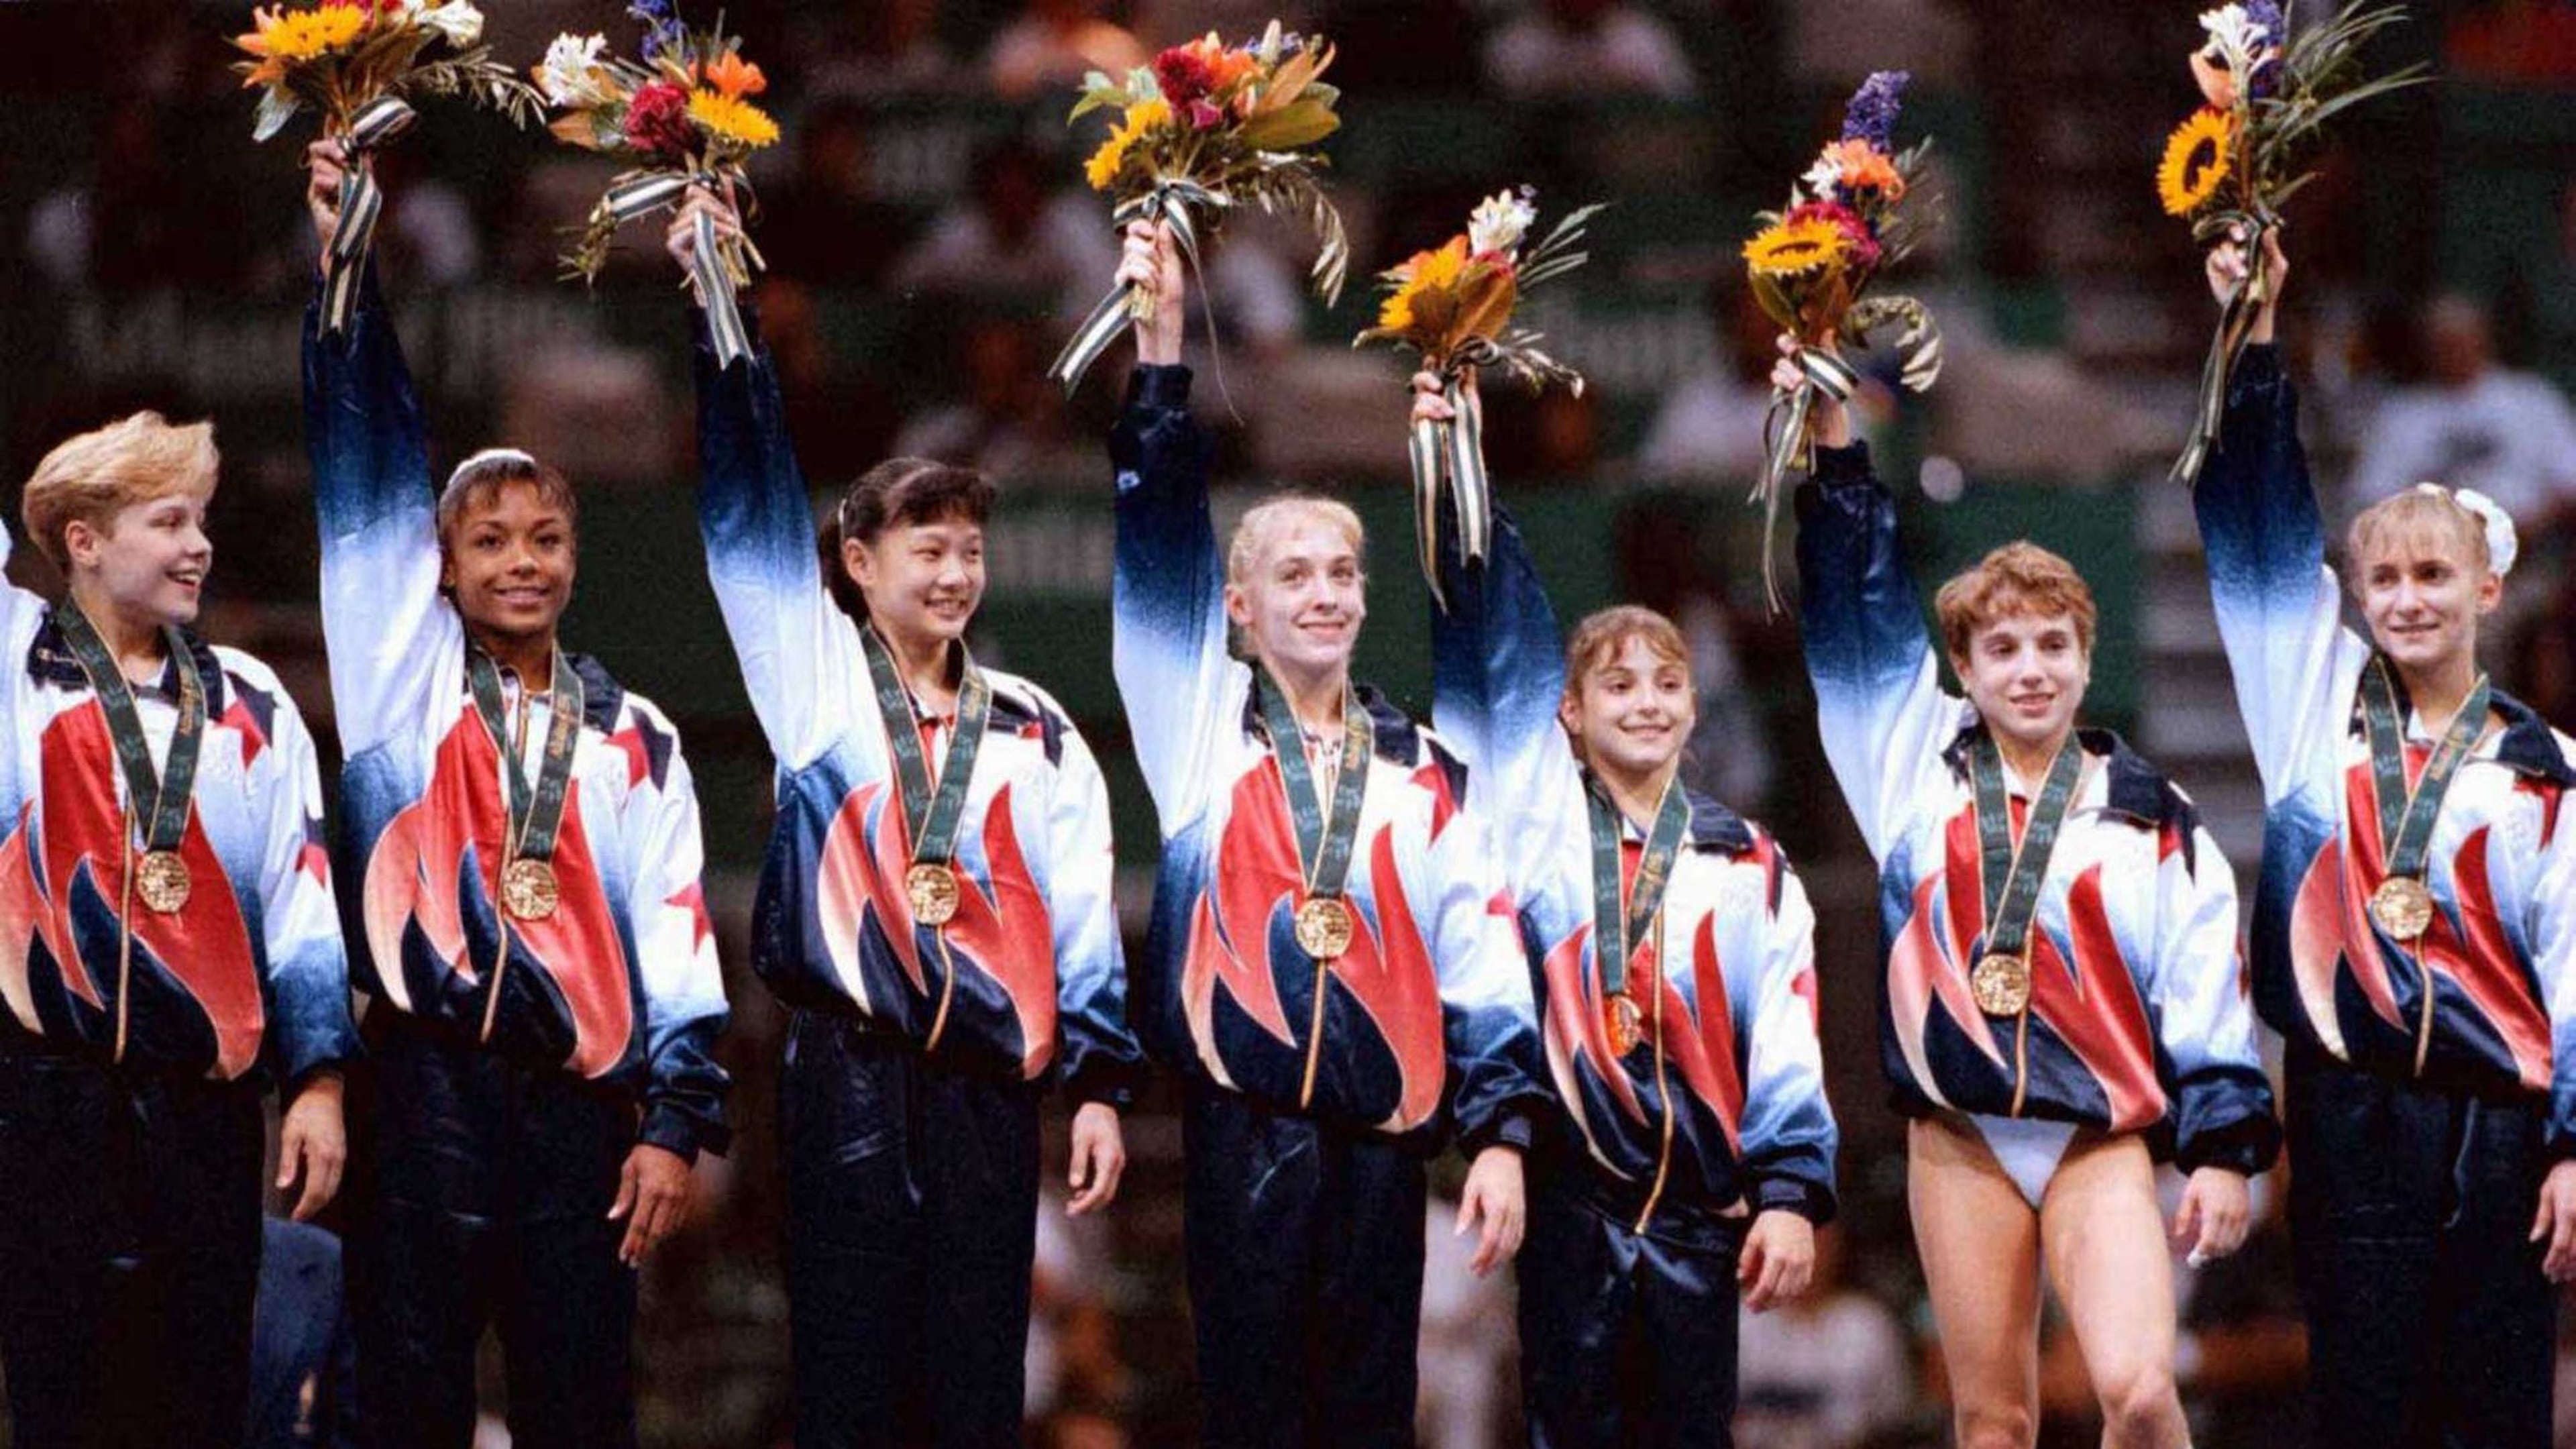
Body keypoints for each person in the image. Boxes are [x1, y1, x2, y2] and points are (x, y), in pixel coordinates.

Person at [671, 186, 1144, 1448]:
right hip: (845, 1071)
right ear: (856, 562)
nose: (951, 572)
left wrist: (1097, 1085)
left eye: (968, 552)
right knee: (848, 1381)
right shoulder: (819, 693)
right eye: (923, 547)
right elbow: (749, 523)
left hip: (991, 1087)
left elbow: (1086, 914)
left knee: (976, 1385)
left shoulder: (1037, 728)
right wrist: (726, 317)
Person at [299, 141, 731, 1448]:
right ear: (435, 566)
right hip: (417, 1094)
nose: (521, 563)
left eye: (545, 539)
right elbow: (363, 467)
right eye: (488, 541)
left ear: (579, 557)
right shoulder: (402, 689)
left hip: (579, 1122)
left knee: (581, 1407)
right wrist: (345, 265)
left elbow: (678, 943)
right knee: (406, 1405)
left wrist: (675, 1124)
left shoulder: (638, 738)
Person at [1790, 333, 2279, 1449]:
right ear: (1964, 668)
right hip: (1959, 1136)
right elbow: (1857, 607)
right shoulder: (1909, 772)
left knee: (2141, 1391)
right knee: (1994, 1420)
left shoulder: (2153, 815)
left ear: (2085, 653)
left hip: (2097, 1136)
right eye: (2002, 647)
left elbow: (2205, 993)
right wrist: (1835, 433)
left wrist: (2219, 1150)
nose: (2030, 667)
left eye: (2053, 644)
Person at [1106, 219, 1544, 1449]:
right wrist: (1160, 354)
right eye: (1292, 576)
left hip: (1386, 1145)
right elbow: (1153, 550)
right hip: (1242, 1131)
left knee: (1367, 1424)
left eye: (1342, 572)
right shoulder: (1200, 741)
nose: (1324, 593)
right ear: (1237, 612)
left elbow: (1484, 959)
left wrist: (1502, 1137)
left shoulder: (1422, 776)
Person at [2192, 227, 2576, 1449]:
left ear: (2488, 590)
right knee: (2364, 1416)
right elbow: (2255, 527)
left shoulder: (2548, 771)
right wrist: (2253, 334)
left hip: (2507, 1131)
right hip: (2350, 1116)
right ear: (2355, 597)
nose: (2408, 598)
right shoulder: (2312, 713)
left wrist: (2575, 1149)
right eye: (2385, 580)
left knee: (2497, 1422)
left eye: (2433, 576)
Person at [1421, 367, 1837, 1447]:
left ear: (1696, 704)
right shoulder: (1534, 831)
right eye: (1617, 684)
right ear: (1567, 712)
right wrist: (1461, 457)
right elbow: (1496, 644)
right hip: (1570, 1201)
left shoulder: (1749, 863)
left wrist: (1790, 1190)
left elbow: (1786, 1036)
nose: (1645, 702)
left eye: (1665, 683)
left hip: (1703, 1212)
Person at [0, 411, 356, 1448]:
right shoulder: (16, 678)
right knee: (61, 1402)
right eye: (167, 521)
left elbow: (301, 906)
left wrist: (321, 1082)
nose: (200, 543)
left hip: (207, 1112)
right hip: (45, 1095)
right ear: (84, 540)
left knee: (201, 1403)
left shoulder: (252, 699)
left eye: (201, 519)